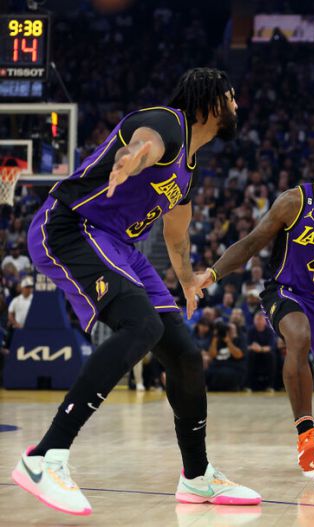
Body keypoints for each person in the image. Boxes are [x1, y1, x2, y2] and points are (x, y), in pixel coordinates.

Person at [15, 68, 260, 516]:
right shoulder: (167, 122)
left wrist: (187, 279)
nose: (237, 105)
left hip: (121, 247)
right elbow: (145, 142)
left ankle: (196, 476)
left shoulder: (188, 170)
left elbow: (176, 234)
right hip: (72, 227)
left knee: (184, 355)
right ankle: (44, 457)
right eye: (230, 97)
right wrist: (132, 158)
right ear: (209, 102)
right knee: (142, 325)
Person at [195, 143, 314, 475]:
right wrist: (212, 274)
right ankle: (306, 435)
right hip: (285, 291)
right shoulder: (294, 202)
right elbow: (252, 242)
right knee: (298, 337)